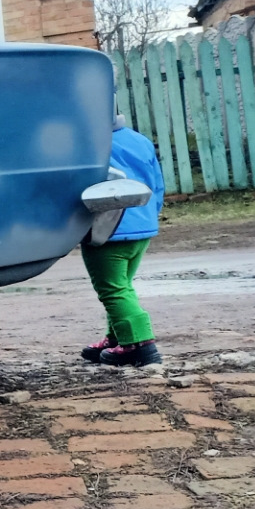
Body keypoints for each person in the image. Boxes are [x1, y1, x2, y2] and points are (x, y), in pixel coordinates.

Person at [80, 116, 165, 366]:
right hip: (142, 226)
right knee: (123, 286)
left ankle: (139, 344)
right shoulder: (139, 140)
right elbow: (156, 184)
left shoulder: (87, 143)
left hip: (107, 229)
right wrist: (148, 216)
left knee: (112, 290)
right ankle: (117, 337)